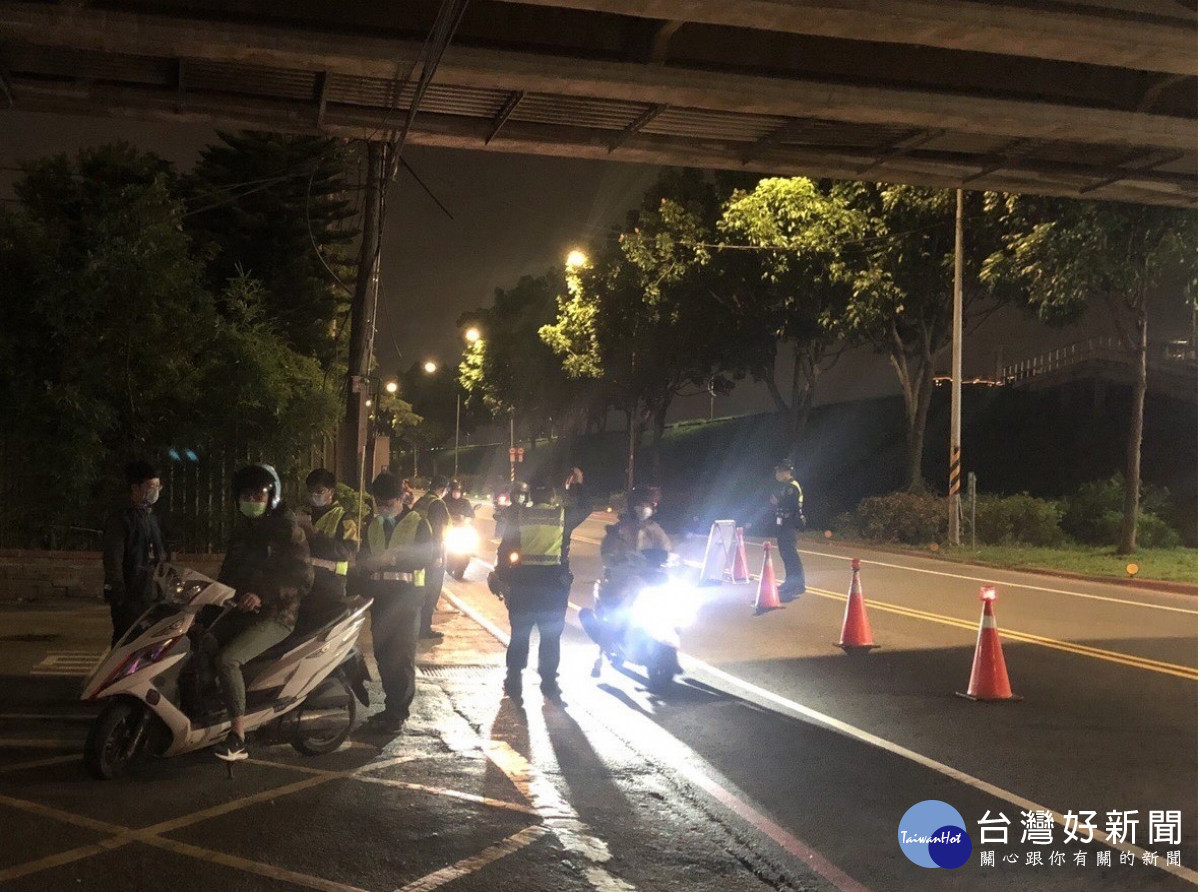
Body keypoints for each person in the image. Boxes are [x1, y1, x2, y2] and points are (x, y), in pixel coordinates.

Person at [213, 464, 313, 762]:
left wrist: (262, 596)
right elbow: (228, 571)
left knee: (228, 660)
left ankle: (237, 736)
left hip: (276, 616)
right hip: (240, 610)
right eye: (246, 494)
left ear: (272, 496)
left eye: (258, 494)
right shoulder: (243, 530)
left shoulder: (288, 530)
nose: (252, 499)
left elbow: (302, 578)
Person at [495, 478, 589, 706]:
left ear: (531, 498)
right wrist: (578, 484)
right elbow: (586, 507)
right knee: (550, 638)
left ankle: (514, 683)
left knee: (519, 637)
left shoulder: (518, 516)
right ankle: (549, 685)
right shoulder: (562, 516)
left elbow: (504, 551)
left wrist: (503, 581)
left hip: (523, 588)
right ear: (553, 498)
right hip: (552, 590)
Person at [356, 472, 436, 734]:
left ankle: (397, 714)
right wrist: (368, 563)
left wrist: (395, 557)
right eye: (379, 502)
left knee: (400, 659)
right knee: (382, 655)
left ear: (401, 498)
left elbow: (429, 557)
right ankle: (390, 708)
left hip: (407, 600)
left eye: (388, 502)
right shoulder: (374, 524)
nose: (383, 507)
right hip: (382, 600)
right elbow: (365, 557)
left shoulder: (418, 523)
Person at [102, 460, 169, 645]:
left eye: (158, 486)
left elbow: (158, 553)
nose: (155, 491)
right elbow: (113, 558)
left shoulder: (150, 517)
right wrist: (119, 593)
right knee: (126, 643)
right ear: (135, 488)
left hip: (150, 594)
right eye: (150, 487)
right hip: (130, 595)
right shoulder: (121, 519)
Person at [296, 468, 358, 632]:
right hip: (302, 583)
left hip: (330, 586)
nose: (314, 495)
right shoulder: (302, 516)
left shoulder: (345, 518)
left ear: (331, 492)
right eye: (310, 491)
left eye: (319, 491)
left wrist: (316, 536)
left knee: (326, 632)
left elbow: (348, 552)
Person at [599, 486, 672, 599]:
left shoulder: (655, 529)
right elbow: (607, 552)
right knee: (608, 602)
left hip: (645, 583)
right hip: (621, 584)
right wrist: (617, 561)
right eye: (642, 504)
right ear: (632, 505)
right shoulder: (619, 529)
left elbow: (666, 549)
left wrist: (668, 559)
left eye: (648, 504)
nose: (644, 507)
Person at [412, 475, 452, 641]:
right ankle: (424, 629)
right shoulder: (437, 504)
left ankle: (415, 626)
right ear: (442, 489)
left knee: (419, 591)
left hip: (418, 553)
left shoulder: (421, 501)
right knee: (430, 593)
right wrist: (437, 556)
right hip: (432, 554)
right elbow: (438, 532)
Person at [770, 459, 807, 600]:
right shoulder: (785, 486)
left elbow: (792, 505)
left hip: (789, 524)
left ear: (787, 472)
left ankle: (798, 583)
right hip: (782, 523)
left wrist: (778, 502)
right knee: (785, 553)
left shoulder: (792, 486)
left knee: (791, 554)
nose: (777, 474)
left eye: (779, 471)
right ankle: (790, 581)